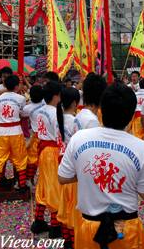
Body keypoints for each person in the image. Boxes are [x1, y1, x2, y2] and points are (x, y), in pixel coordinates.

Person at [58, 83, 144, 249]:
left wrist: (86, 174)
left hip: (89, 228)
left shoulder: (79, 139)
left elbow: (63, 177)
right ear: (132, 115)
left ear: (101, 111)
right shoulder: (141, 148)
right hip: (126, 230)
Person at [31, 81, 64, 239]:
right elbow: (60, 136)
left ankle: (38, 220)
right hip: (52, 152)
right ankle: (55, 225)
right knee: (54, 187)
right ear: (56, 96)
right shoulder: (55, 113)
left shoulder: (40, 111)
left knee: (43, 184)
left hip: (43, 150)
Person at [0, 75, 27, 191]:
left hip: (2, 131)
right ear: (17, 86)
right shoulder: (20, 98)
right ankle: (22, 185)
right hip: (16, 130)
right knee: (20, 158)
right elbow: (22, 113)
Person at [57, 87, 80, 249]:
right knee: (74, 204)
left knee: (65, 202)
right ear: (74, 103)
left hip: (62, 162)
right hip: (74, 167)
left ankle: (66, 237)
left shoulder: (56, 118)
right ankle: (74, 239)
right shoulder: (75, 121)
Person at [23, 85, 44, 182]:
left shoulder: (28, 108)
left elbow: (21, 114)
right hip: (46, 135)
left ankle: (30, 179)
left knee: (32, 158)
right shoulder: (45, 103)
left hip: (35, 136)